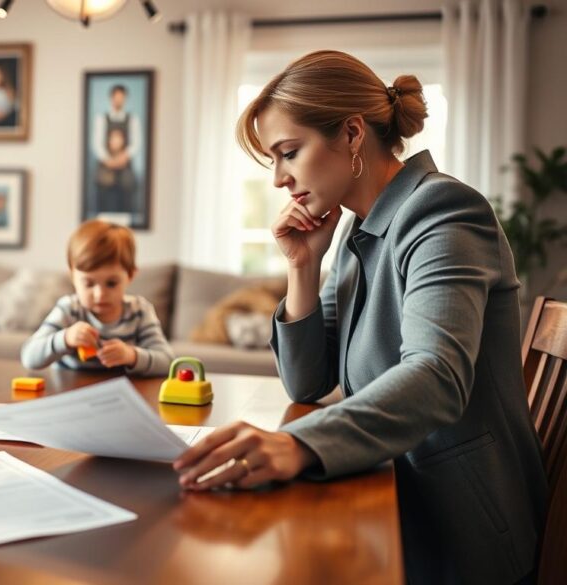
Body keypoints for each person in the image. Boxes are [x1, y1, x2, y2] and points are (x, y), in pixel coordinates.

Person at [172, 50, 546, 584]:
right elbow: (308, 380)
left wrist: (299, 443)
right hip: (394, 491)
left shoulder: (443, 211)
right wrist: (303, 266)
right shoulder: (357, 229)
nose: (279, 179)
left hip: (461, 525)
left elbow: (437, 377)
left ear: (351, 135)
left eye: (288, 152)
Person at [21, 220, 173, 375]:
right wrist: (65, 339)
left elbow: (167, 362)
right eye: (89, 284)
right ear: (72, 276)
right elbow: (29, 358)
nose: (100, 294)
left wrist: (131, 355)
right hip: (70, 393)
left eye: (111, 283)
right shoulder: (69, 309)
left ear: (130, 275)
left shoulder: (140, 311)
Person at [92, 84, 141, 214]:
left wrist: (123, 157)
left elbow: (136, 143)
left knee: (126, 195)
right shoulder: (101, 118)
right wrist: (108, 160)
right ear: (111, 98)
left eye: (121, 97)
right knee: (105, 198)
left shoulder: (132, 119)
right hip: (106, 165)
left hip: (124, 164)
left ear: (125, 99)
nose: (118, 100)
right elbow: (97, 143)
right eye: (116, 97)